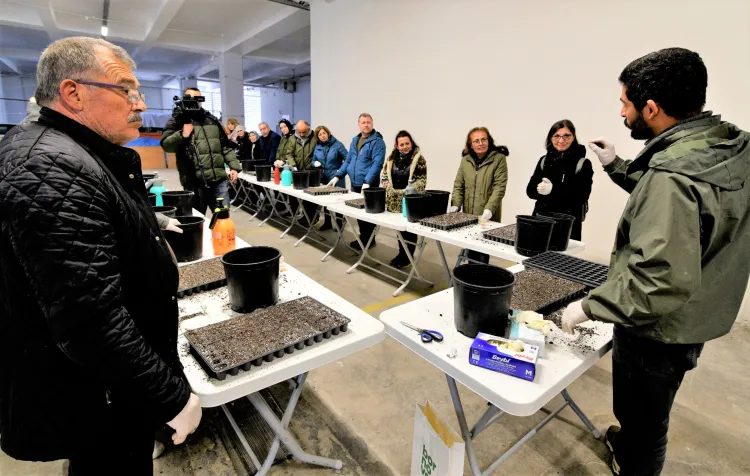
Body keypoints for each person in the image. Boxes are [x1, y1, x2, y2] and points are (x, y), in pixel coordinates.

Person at [0, 36, 201, 474]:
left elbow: (97, 211)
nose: (140, 104)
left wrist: (149, 221)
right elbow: (91, 321)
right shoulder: (48, 166)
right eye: (127, 90)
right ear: (73, 93)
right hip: (97, 392)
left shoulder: (67, 150)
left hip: (102, 385)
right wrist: (170, 397)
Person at [560, 47, 750, 476]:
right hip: (698, 311)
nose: (622, 112)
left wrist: (589, 306)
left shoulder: (673, 177)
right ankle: (628, 442)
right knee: (646, 409)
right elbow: (689, 208)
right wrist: (617, 166)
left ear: (652, 107)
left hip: (657, 329)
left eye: (626, 103)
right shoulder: (728, 146)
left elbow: (656, 282)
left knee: (647, 421)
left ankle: (634, 461)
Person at [161, 87, 242, 215]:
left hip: (218, 180)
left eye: (199, 99)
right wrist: (183, 134)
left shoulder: (211, 119)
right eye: (191, 99)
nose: (196, 103)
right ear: (184, 99)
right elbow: (166, 146)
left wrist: (234, 167)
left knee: (223, 217)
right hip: (194, 182)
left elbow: (225, 146)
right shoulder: (177, 120)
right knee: (197, 218)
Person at [525, 119, 593, 240]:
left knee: (562, 258)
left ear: (573, 137)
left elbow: (582, 196)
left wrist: (553, 190)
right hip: (541, 221)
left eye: (566, 136)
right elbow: (530, 191)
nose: (561, 140)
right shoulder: (544, 160)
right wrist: (539, 189)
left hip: (567, 226)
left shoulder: (582, 163)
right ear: (550, 138)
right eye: (556, 136)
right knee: (536, 258)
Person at [450, 127, 509, 263]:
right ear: (470, 144)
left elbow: (499, 187)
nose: (481, 143)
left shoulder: (499, 159)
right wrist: (455, 204)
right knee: (470, 249)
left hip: (487, 215)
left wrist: (489, 209)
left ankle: (481, 280)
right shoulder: (465, 160)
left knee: (482, 252)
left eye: (484, 139)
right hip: (468, 214)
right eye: (476, 141)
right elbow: (459, 184)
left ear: (489, 141)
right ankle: (470, 278)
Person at [328, 113, 386, 250]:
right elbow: (348, 160)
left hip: (368, 184)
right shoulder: (355, 140)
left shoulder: (378, 142)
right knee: (358, 213)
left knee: (368, 214)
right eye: (363, 122)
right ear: (359, 124)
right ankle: (363, 238)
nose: (366, 125)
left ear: (372, 124)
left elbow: (377, 163)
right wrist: (338, 175)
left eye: (368, 122)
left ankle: (369, 240)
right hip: (355, 183)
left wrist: (367, 181)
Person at [381, 130, 427, 268]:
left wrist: (409, 189)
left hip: (411, 201)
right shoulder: (390, 159)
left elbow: (422, 181)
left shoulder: (419, 159)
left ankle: (407, 256)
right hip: (393, 202)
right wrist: (387, 185)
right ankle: (402, 253)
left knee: (409, 229)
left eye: (407, 143)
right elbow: (384, 176)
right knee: (400, 229)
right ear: (397, 146)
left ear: (412, 143)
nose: (405, 146)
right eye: (402, 144)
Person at [313, 125, 347, 231]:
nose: (323, 136)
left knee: (338, 201)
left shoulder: (337, 145)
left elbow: (348, 158)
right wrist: (315, 163)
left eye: (324, 133)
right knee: (325, 202)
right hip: (324, 178)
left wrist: (340, 171)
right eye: (320, 134)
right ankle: (327, 223)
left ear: (328, 133)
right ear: (317, 137)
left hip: (336, 177)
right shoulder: (317, 147)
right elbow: (312, 160)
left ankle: (339, 223)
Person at [286, 120, 319, 224]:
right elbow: (289, 154)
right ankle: (301, 215)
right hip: (298, 171)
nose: (301, 134)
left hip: (311, 171)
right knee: (296, 196)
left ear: (308, 128)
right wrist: (293, 166)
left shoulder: (314, 137)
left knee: (310, 198)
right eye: (299, 132)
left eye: (304, 132)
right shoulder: (292, 138)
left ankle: (312, 218)